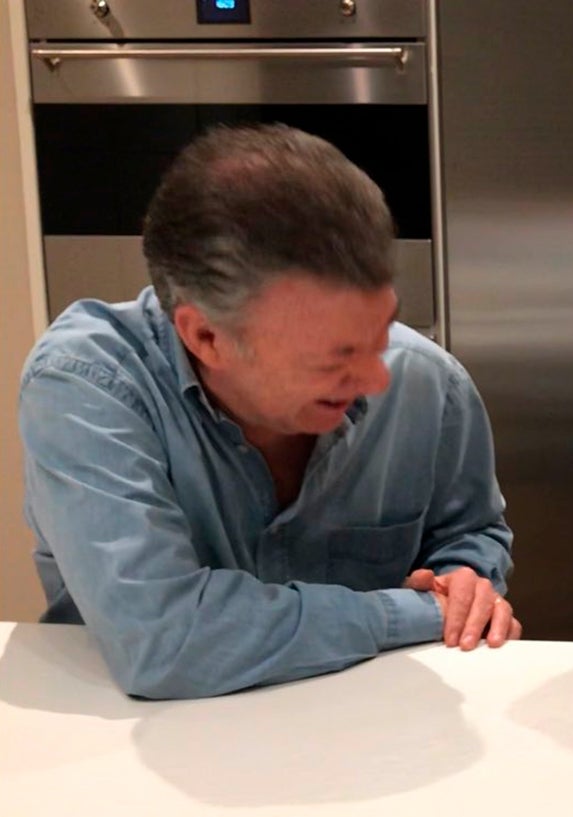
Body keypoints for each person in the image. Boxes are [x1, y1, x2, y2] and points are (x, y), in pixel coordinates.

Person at [20, 124, 520, 700]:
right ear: (207, 337)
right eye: (333, 354)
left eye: (380, 329)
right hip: (138, 737)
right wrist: (414, 613)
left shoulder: (428, 381)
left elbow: (469, 533)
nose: (377, 378)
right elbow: (166, 642)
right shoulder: (86, 387)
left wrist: (463, 581)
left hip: (375, 724)